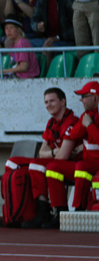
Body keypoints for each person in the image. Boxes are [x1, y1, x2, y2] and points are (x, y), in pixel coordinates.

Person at [6, 87, 79, 229]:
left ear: (63, 101)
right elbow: (42, 152)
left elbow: (63, 156)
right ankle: (17, 212)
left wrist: (52, 153)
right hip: (56, 160)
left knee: (38, 166)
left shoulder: (72, 121)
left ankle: (44, 211)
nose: (48, 105)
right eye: (46, 102)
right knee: (12, 163)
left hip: (73, 165)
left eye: (52, 101)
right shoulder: (51, 122)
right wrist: (53, 152)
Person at [44, 81, 98, 228]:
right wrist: (85, 120)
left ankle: (79, 210)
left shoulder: (90, 119)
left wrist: (90, 125)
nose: (81, 100)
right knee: (53, 167)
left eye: (85, 96)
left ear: (95, 97)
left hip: (93, 165)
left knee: (81, 166)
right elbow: (74, 134)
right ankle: (59, 212)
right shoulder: (86, 116)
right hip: (89, 164)